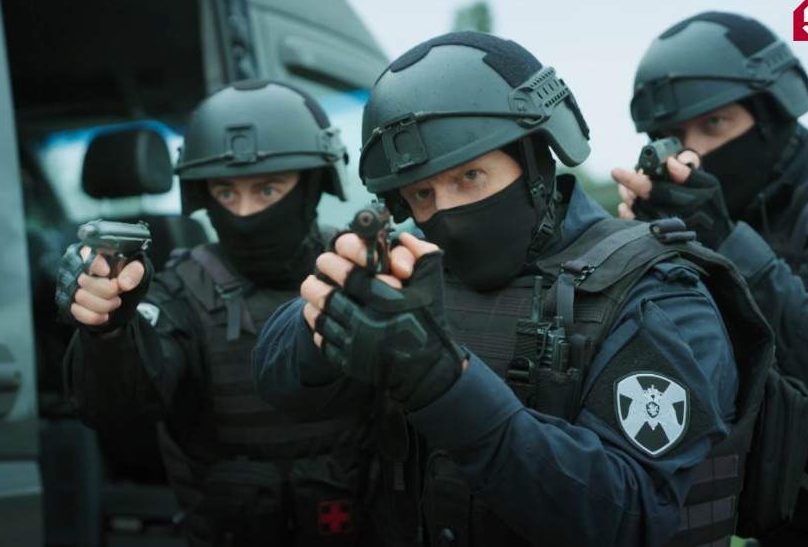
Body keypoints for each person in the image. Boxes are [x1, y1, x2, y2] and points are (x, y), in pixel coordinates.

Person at [252, 31, 772, 546]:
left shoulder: (659, 294)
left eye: (470, 176)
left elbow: (628, 516)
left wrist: (443, 384)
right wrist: (332, 310)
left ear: (533, 158)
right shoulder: (414, 269)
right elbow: (278, 383)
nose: (447, 211)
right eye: (422, 193)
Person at [56, 79, 381, 547]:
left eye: (267, 189)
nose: (245, 213)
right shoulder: (181, 290)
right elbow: (121, 403)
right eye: (226, 194)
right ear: (204, 194)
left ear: (312, 184)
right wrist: (109, 330)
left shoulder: (359, 269)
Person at [612, 11, 808, 545]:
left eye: (715, 124)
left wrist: (726, 244)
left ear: (772, 112)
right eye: (672, 136)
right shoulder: (716, 211)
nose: (693, 153)